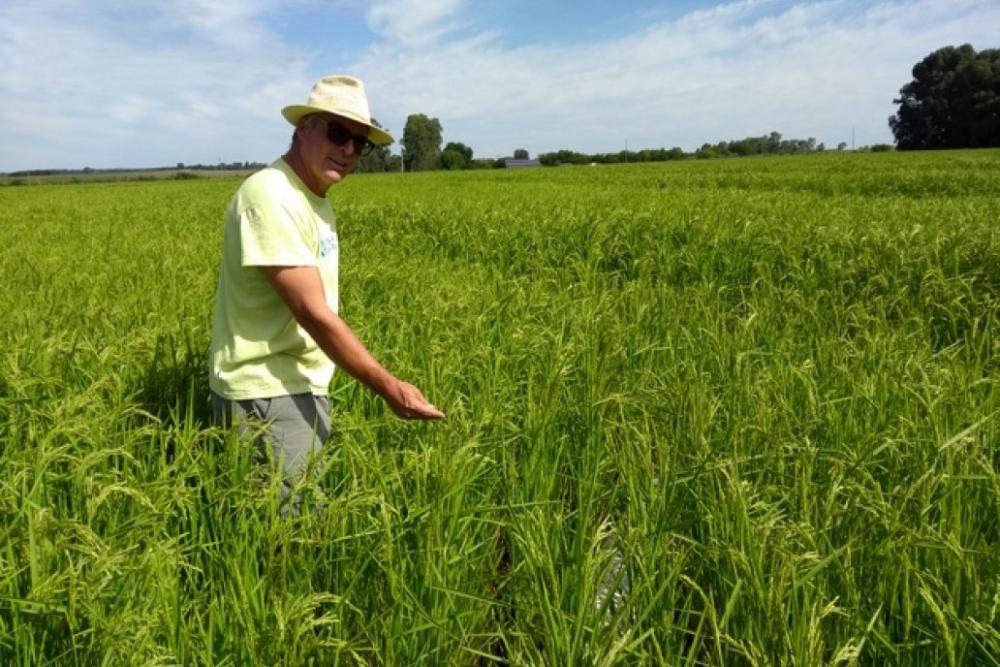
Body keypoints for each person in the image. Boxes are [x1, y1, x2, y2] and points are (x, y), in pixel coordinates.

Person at [209, 74, 444, 511]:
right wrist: (390, 388)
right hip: (268, 391)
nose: (349, 150)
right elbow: (314, 313)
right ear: (304, 128)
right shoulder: (271, 195)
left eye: (361, 142)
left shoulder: (314, 197)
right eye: (338, 132)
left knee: (300, 522)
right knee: (288, 538)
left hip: (297, 385)